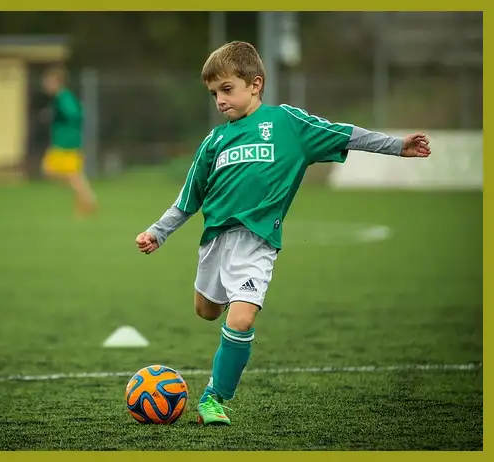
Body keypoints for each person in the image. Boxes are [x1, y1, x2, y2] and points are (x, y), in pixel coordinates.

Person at [135, 41, 431, 426]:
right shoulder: (214, 141)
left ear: (255, 84)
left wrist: (396, 146)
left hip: (258, 242)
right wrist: (158, 233)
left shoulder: (288, 124)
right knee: (206, 311)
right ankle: (232, 307)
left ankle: (214, 398)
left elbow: (344, 134)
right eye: (213, 94)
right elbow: (188, 198)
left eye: (227, 89)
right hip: (215, 242)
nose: (220, 100)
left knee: (240, 321)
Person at [40, 65, 98, 216]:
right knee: (61, 173)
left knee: (61, 173)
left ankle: (88, 199)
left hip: (66, 143)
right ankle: (86, 199)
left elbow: (75, 114)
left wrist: (62, 122)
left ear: (56, 81)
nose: (46, 84)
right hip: (62, 142)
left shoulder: (63, 97)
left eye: (48, 81)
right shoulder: (61, 98)